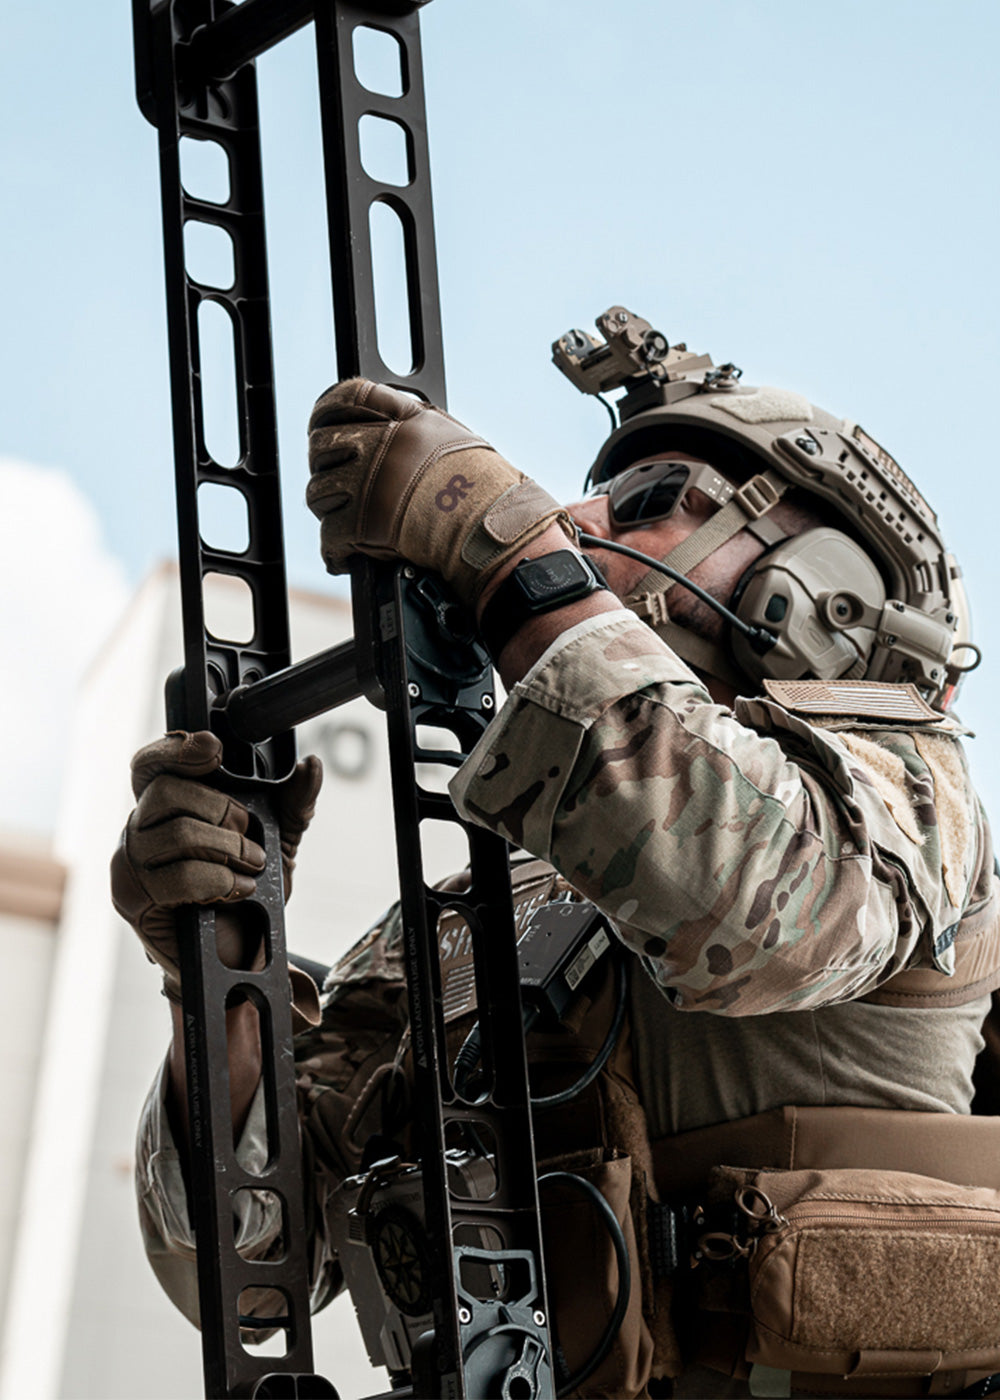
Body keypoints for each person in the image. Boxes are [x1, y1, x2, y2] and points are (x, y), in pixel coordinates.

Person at [114, 314, 1000, 1398]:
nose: (580, 523)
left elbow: (749, 899)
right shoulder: (478, 902)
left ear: (824, 582)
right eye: (578, 510)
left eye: (650, 501)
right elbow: (249, 1269)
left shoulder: (910, 802)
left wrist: (510, 554)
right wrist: (220, 971)